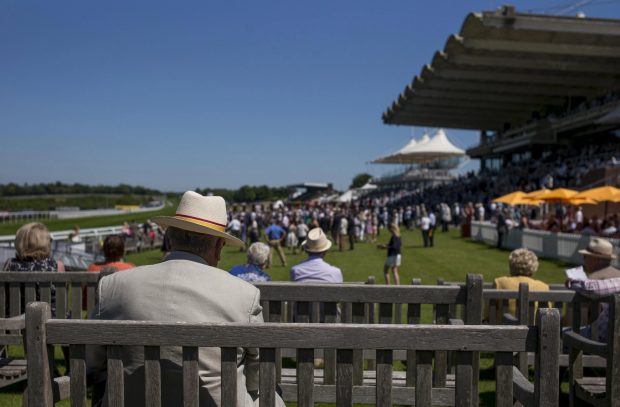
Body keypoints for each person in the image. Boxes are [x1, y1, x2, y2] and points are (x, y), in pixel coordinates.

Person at [86, 191, 285, 407]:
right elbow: (258, 375)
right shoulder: (244, 294)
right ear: (218, 247)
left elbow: (94, 362)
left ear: (170, 239)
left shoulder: (113, 285)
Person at [492, 248, 549, 318]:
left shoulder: (499, 282)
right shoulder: (543, 287)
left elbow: (488, 314)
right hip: (534, 328)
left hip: (504, 328)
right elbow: (548, 316)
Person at [566, 277, 620, 342]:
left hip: (601, 340)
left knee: (561, 335)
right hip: (609, 341)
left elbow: (592, 288)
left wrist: (571, 282)